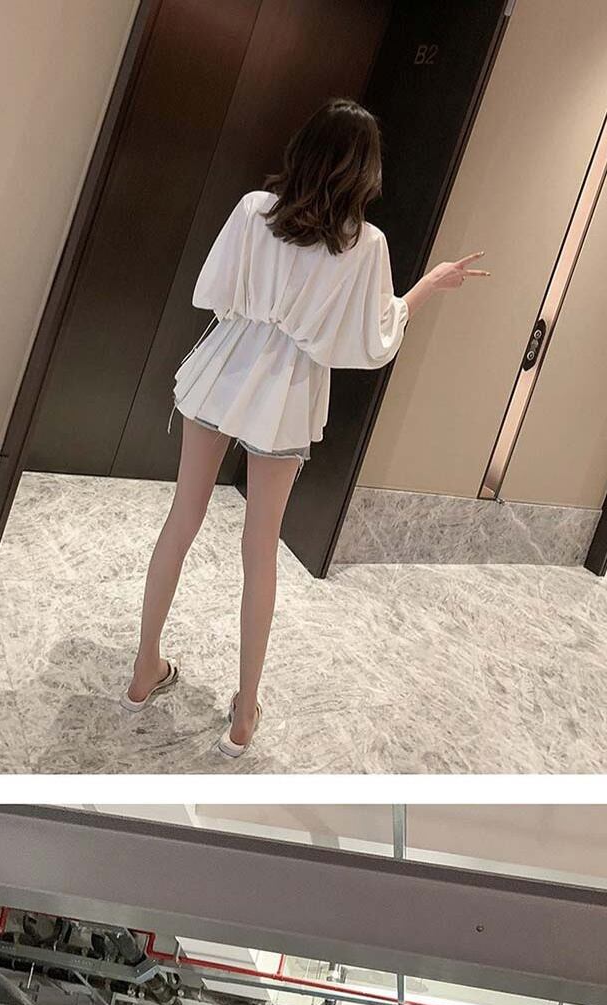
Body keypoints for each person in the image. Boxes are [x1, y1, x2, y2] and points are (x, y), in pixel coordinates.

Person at [125, 97, 487, 750]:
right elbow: (375, 339)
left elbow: (213, 293)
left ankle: (142, 670)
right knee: (260, 547)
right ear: (364, 171)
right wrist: (430, 284)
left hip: (223, 367)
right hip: (288, 393)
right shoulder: (366, 245)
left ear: (306, 148)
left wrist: (265, 306)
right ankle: (244, 716)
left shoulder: (252, 210)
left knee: (182, 517)